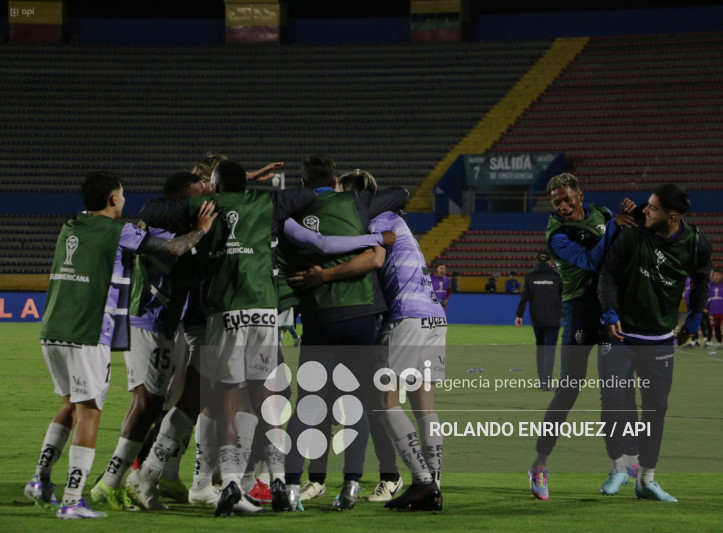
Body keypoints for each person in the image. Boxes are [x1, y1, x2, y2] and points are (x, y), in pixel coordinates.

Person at [25, 171, 216, 519]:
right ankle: (74, 499)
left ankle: (40, 479)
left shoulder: (71, 224)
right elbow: (174, 247)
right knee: (91, 411)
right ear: (114, 199)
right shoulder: (120, 231)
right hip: (88, 330)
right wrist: (201, 230)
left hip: (52, 329)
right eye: (122, 194)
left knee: (69, 405)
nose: (125, 199)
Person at [137, 159, 318, 516]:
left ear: (215, 187)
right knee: (266, 395)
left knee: (227, 396)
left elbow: (150, 210)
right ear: (246, 186)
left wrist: (206, 203)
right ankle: (278, 479)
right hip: (264, 312)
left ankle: (232, 481)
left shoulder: (208, 205)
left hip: (225, 314)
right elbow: (308, 197)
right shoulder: (267, 203)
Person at [290, 169, 444, 511]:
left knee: (382, 402)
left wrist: (324, 275)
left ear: (356, 198)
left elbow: (373, 257)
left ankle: (422, 482)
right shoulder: (398, 221)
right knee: (424, 406)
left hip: (405, 317)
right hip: (433, 315)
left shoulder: (376, 221)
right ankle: (434, 483)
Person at [598, 183, 711, 501]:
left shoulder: (696, 244)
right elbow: (607, 273)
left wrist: (695, 317)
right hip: (619, 336)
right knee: (613, 403)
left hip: (659, 340)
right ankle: (618, 468)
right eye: (645, 205)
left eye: (652, 207)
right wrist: (608, 310)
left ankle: (646, 480)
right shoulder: (632, 234)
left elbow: (702, 280)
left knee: (655, 410)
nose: (643, 209)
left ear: (672, 216)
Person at [527, 173, 637, 501]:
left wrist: (631, 217)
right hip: (579, 312)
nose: (562, 206)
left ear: (579, 194)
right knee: (568, 391)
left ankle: (625, 461)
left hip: (610, 309)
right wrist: (616, 227)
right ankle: (539, 464)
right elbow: (592, 261)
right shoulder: (557, 235)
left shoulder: (601, 212)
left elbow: (621, 247)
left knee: (618, 388)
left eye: (566, 198)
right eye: (556, 202)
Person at [515, 251, 562, 389]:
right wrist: (564, 313)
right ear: (550, 262)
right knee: (550, 350)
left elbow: (524, 297)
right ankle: (547, 381)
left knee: (540, 348)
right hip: (553, 317)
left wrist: (519, 315)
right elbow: (565, 295)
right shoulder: (557, 276)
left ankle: (542, 380)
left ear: (537, 261)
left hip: (537, 318)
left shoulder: (530, 277)